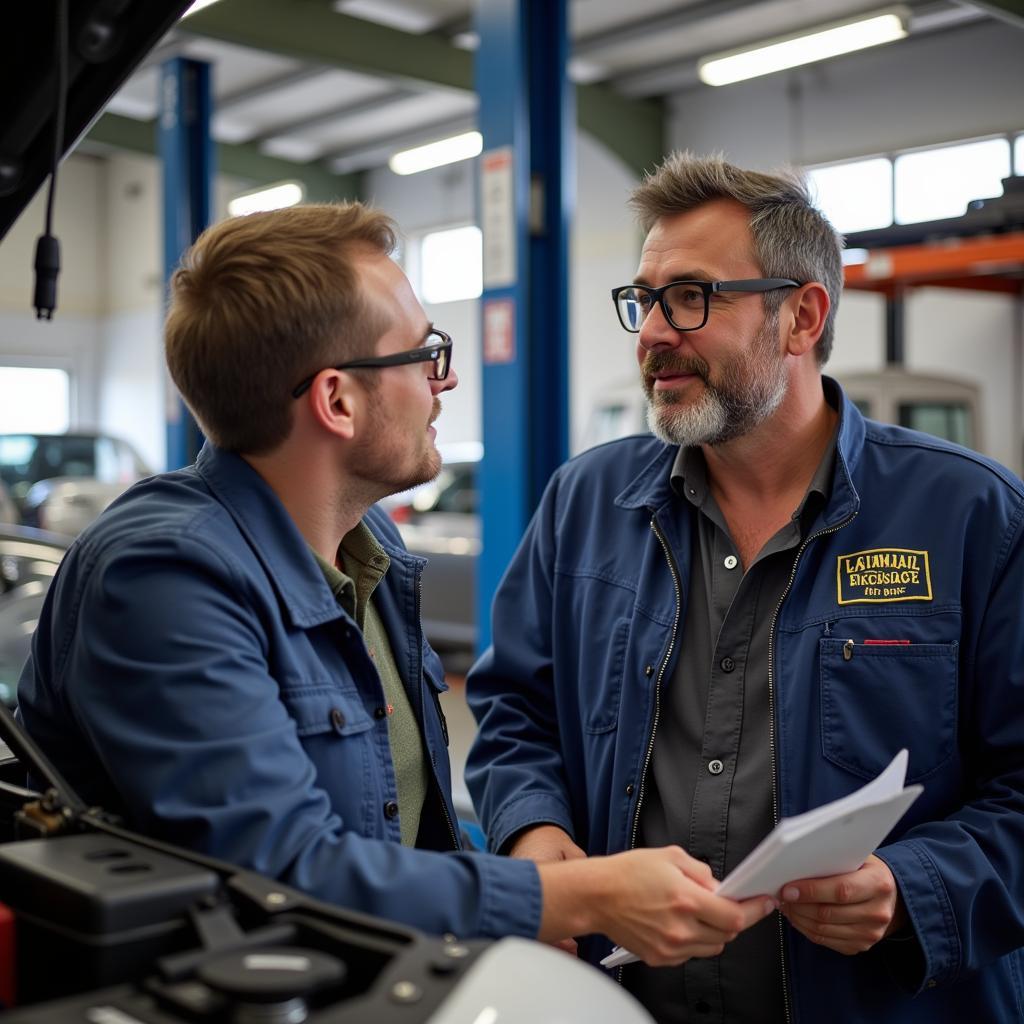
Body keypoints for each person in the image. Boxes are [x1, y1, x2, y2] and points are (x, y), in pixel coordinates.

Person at [16, 201, 774, 963]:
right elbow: (281, 868)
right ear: (337, 401)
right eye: (422, 355)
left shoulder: (367, 546)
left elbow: (403, 825)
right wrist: (571, 898)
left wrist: (518, 873)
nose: (441, 383)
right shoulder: (163, 579)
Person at [465, 154, 1024, 1022]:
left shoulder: (972, 517)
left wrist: (914, 885)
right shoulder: (584, 504)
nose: (652, 332)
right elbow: (513, 710)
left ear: (801, 316)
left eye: (690, 297)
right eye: (643, 300)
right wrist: (534, 832)